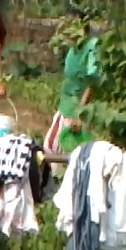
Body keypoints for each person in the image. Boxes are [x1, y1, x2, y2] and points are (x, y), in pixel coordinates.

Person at [52, 16, 103, 153]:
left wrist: (79, 113)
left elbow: (92, 82)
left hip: (78, 110)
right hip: (65, 106)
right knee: (51, 147)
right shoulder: (73, 46)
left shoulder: (92, 46)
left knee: (71, 154)